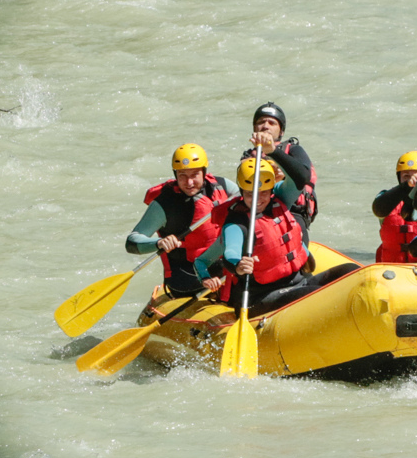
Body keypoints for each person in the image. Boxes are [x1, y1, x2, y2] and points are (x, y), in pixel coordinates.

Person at [192, 157, 357, 312]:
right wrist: (239, 266)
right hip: (262, 296)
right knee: (317, 295)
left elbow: (300, 177)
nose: (257, 198)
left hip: (299, 282)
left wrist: (273, 151)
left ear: (271, 190)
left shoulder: (280, 200)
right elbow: (230, 253)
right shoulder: (236, 222)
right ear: (241, 192)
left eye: (263, 192)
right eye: (250, 193)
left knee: (352, 271)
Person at [126, 143, 236, 298]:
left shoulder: (223, 186)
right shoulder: (164, 204)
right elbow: (131, 242)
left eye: (194, 175)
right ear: (175, 174)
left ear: (204, 172)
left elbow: (251, 202)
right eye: (182, 175)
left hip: (225, 271)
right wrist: (159, 243)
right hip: (187, 280)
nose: (189, 182)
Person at [241, 102, 317, 229]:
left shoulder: (294, 150)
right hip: (258, 208)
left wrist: (273, 152)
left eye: (272, 123)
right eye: (261, 122)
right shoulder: (249, 156)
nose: (265, 126)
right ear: (255, 128)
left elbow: (303, 176)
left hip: (292, 212)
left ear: (281, 131)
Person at [372, 150, 417, 263]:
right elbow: (378, 208)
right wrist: (407, 186)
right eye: (406, 176)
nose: (412, 179)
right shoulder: (387, 199)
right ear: (399, 178)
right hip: (393, 271)